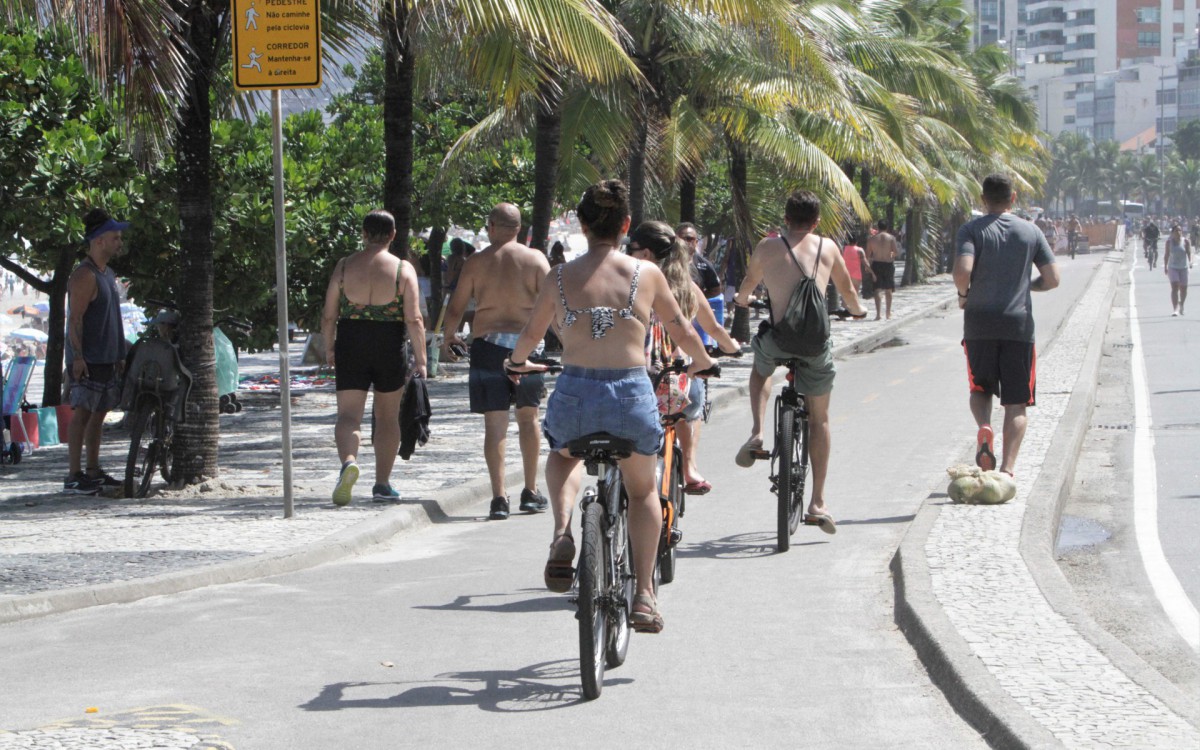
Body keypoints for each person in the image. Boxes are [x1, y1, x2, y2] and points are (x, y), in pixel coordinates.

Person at [505, 180, 716, 633]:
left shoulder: (559, 277)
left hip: (576, 394)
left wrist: (517, 362)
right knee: (643, 492)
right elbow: (682, 330)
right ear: (625, 226)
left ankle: (563, 532)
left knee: (563, 456)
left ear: (581, 225)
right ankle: (643, 594)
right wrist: (703, 362)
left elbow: (530, 333)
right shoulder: (647, 274)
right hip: (630, 394)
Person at [731, 190, 868, 534]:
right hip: (814, 346)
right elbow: (848, 292)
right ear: (817, 221)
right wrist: (858, 311)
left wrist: (743, 299)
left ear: (786, 218)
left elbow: (747, 285)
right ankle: (817, 502)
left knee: (762, 368)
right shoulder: (828, 247)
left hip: (778, 341)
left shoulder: (767, 248)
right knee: (819, 420)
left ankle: (758, 433)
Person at [441, 203, 552, 520]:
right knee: (529, 420)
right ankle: (530, 491)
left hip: (488, 347)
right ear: (520, 229)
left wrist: (449, 337)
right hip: (527, 348)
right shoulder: (535, 260)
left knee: (495, 424)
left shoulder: (476, 262)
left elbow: (456, 308)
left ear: (491, 226)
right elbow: (553, 304)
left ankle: (499, 497)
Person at [953, 174, 1059, 477]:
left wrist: (964, 295)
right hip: (1018, 327)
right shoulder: (1031, 231)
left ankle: (984, 427)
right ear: (1013, 198)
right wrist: (1028, 285)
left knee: (980, 387)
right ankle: (1008, 470)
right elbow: (1053, 279)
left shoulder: (971, 230)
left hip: (979, 325)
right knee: (1017, 403)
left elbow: (963, 271)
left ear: (983, 199)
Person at [321, 209, 427, 505]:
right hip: (389, 344)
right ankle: (382, 483)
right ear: (393, 235)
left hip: (351, 342)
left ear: (364, 233)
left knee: (348, 415)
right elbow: (414, 318)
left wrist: (330, 347)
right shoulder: (402, 269)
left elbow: (329, 315)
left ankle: (349, 463)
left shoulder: (344, 267)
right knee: (387, 417)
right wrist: (422, 359)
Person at [628, 221, 741, 495]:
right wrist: (733, 348)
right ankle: (689, 468)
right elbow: (712, 328)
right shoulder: (686, 286)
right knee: (690, 407)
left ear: (644, 253)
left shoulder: (629, 281)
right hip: (674, 380)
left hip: (632, 373)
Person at [63, 208, 130, 495]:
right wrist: (77, 357)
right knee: (82, 413)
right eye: (115, 237)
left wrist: (119, 354)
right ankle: (74, 474)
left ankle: (93, 469)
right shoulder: (84, 275)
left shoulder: (108, 273)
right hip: (88, 359)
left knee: (100, 414)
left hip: (108, 357)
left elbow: (111, 316)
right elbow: (75, 319)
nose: (119, 242)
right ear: (99, 240)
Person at [676, 222, 721, 299]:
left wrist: (697, 299)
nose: (685, 242)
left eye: (689, 239)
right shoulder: (665, 261)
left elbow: (716, 290)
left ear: (696, 242)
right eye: (681, 239)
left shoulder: (704, 264)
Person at [866, 220, 898, 320]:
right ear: (886, 227)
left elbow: (867, 254)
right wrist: (891, 255)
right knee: (889, 290)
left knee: (877, 290)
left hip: (877, 264)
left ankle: (878, 314)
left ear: (878, 227)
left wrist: (868, 266)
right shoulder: (891, 238)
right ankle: (888, 313)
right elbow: (895, 252)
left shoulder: (872, 239)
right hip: (888, 264)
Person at [1164, 224, 1192, 316]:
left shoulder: (1186, 241)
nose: (1178, 232)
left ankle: (1182, 305)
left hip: (1183, 267)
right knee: (1175, 287)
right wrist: (1165, 266)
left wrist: (1190, 262)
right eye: (1176, 231)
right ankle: (1175, 309)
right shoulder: (1169, 242)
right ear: (1172, 233)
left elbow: (1189, 253)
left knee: (1183, 288)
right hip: (1173, 267)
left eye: (1180, 230)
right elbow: (1166, 255)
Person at [841, 233, 871, 298]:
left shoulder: (844, 249)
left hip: (846, 273)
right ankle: (854, 306)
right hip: (856, 274)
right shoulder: (859, 250)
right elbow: (865, 262)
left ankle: (846, 306)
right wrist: (871, 272)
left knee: (846, 293)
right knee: (855, 293)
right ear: (856, 241)